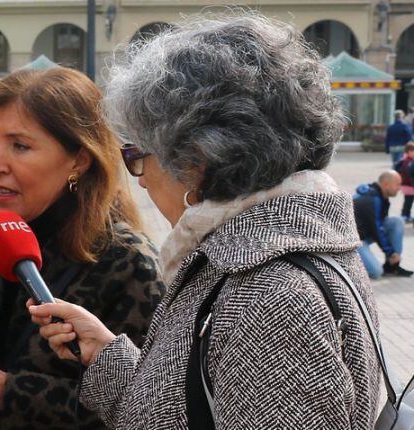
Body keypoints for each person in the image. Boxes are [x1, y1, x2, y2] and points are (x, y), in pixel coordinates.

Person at [28, 13, 382, 428]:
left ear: (197, 158)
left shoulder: (268, 298)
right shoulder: (272, 256)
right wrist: (107, 356)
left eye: (137, 157)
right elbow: (194, 406)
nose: (138, 182)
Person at [0, 67, 165, 429]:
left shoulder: (129, 263)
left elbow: (155, 406)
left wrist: (10, 394)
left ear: (79, 159)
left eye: (20, 146)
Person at [354, 170, 414, 278]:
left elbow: (379, 226)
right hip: (355, 240)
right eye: (397, 184)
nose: (399, 188)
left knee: (397, 221)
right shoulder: (372, 198)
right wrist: (390, 252)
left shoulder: (381, 196)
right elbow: (377, 229)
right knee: (376, 272)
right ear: (386, 184)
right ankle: (352, 268)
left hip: (366, 233)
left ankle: (392, 266)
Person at [395, 142, 414, 221]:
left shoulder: (406, 160)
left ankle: (406, 214)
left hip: (407, 185)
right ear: (409, 152)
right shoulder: (408, 161)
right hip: (409, 185)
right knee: (408, 201)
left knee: (408, 201)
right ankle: (405, 215)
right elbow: (410, 174)